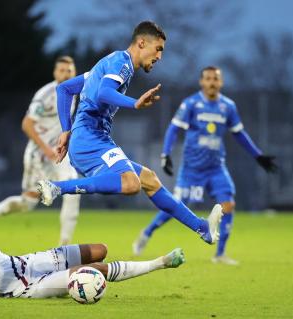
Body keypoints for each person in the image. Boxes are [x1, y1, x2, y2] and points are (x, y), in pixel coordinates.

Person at [36, 21, 223, 245]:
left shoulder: (107, 63)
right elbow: (104, 93)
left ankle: (202, 228)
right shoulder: (121, 63)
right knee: (130, 183)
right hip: (90, 137)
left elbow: (64, 89)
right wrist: (135, 103)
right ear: (142, 42)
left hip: (89, 138)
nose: (159, 57)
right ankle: (56, 187)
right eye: (159, 49)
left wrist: (66, 130)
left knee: (149, 180)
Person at [132, 66, 277, 264]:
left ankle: (220, 254)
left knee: (228, 204)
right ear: (201, 82)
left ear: (221, 83)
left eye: (215, 79)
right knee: (176, 207)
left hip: (217, 168)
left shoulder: (228, 106)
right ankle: (147, 232)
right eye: (208, 78)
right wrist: (166, 153)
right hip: (192, 170)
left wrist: (258, 156)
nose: (211, 82)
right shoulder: (191, 104)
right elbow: (174, 129)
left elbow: (239, 133)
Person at [0, 198, 185, 298]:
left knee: (99, 249)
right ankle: (160, 262)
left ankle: (94, 274)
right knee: (93, 270)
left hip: (30, 263)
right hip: (29, 288)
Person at [0, 56, 81, 245]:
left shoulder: (74, 92)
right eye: (62, 70)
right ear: (55, 72)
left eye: (70, 70)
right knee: (27, 203)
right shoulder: (46, 94)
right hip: (39, 155)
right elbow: (27, 124)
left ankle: (64, 246)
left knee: (74, 189)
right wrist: (46, 149)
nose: (66, 74)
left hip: (59, 154)